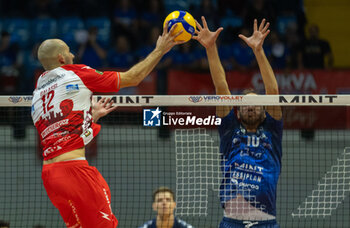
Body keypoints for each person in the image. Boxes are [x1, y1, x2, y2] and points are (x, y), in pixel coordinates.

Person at [31, 22, 183, 228]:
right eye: (69, 52)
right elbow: (133, 78)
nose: (73, 55)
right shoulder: (76, 72)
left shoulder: (38, 92)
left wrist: (90, 117)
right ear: (61, 58)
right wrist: (160, 50)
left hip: (50, 176)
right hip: (74, 171)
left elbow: (60, 132)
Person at [193, 17, 282, 228]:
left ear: (264, 109)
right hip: (232, 222)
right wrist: (211, 48)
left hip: (266, 222)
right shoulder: (229, 132)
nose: (251, 106)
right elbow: (221, 88)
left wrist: (258, 51)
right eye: (245, 104)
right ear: (238, 112)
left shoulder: (273, 132)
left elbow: (273, 92)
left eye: (256, 104)